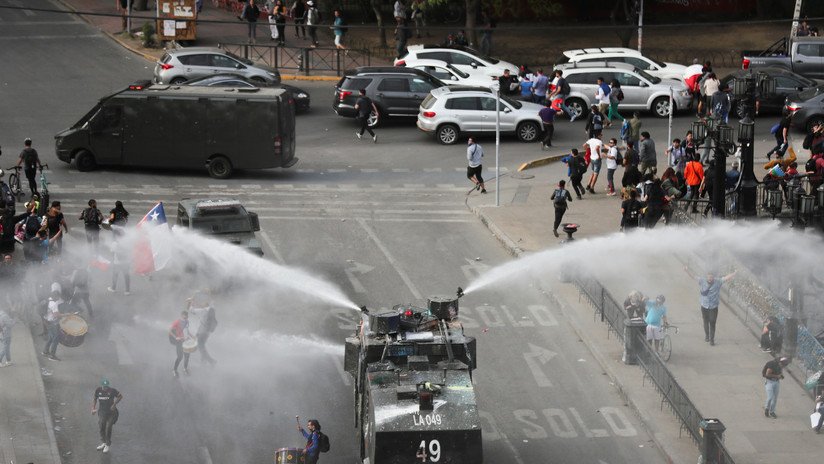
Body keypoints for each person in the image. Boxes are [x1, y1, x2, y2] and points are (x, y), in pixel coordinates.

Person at [684, 266, 736, 346]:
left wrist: (734, 273)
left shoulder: (718, 281)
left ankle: (712, 340)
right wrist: (687, 270)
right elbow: (693, 276)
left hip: (713, 307)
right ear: (706, 277)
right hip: (704, 306)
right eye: (708, 277)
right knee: (705, 321)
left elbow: (725, 278)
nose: (710, 279)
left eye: (711, 277)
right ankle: (707, 336)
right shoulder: (702, 280)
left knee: (712, 322)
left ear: (713, 277)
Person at [92, 378, 122, 454]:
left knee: (108, 427)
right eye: (104, 386)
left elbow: (120, 396)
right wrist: (93, 408)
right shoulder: (98, 390)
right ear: (101, 385)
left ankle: (108, 445)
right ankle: (104, 442)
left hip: (112, 412)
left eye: (106, 386)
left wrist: (114, 404)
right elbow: (95, 398)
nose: (105, 388)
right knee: (102, 425)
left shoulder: (112, 390)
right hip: (102, 411)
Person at [188, 292, 217, 365]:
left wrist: (191, 302)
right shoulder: (212, 309)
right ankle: (203, 363)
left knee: (200, 346)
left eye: (203, 302)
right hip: (208, 332)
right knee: (202, 346)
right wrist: (209, 294)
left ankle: (211, 361)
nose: (201, 303)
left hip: (202, 331)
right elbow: (212, 302)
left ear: (205, 304)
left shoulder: (202, 311)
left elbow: (191, 310)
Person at [43, 290, 68, 361]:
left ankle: (45, 351)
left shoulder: (48, 300)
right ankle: (52, 356)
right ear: (55, 296)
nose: (58, 299)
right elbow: (57, 315)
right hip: (52, 323)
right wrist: (67, 315)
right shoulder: (53, 304)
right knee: (55, 339)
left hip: (46, 321)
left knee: (51, 337)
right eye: (58, 297)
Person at [169, 311, 192, 377]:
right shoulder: (177, 322)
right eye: (185, 316)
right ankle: (174, 370)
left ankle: (185, 368)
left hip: (185, 340)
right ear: (181, 315)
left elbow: (187, 330)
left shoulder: (187, 321)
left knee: (187, 356)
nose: (186, 317)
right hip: (179, 341)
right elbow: (170, 330)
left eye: (187, 316)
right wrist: (176, 337)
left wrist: (192, 336)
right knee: (180, 357)